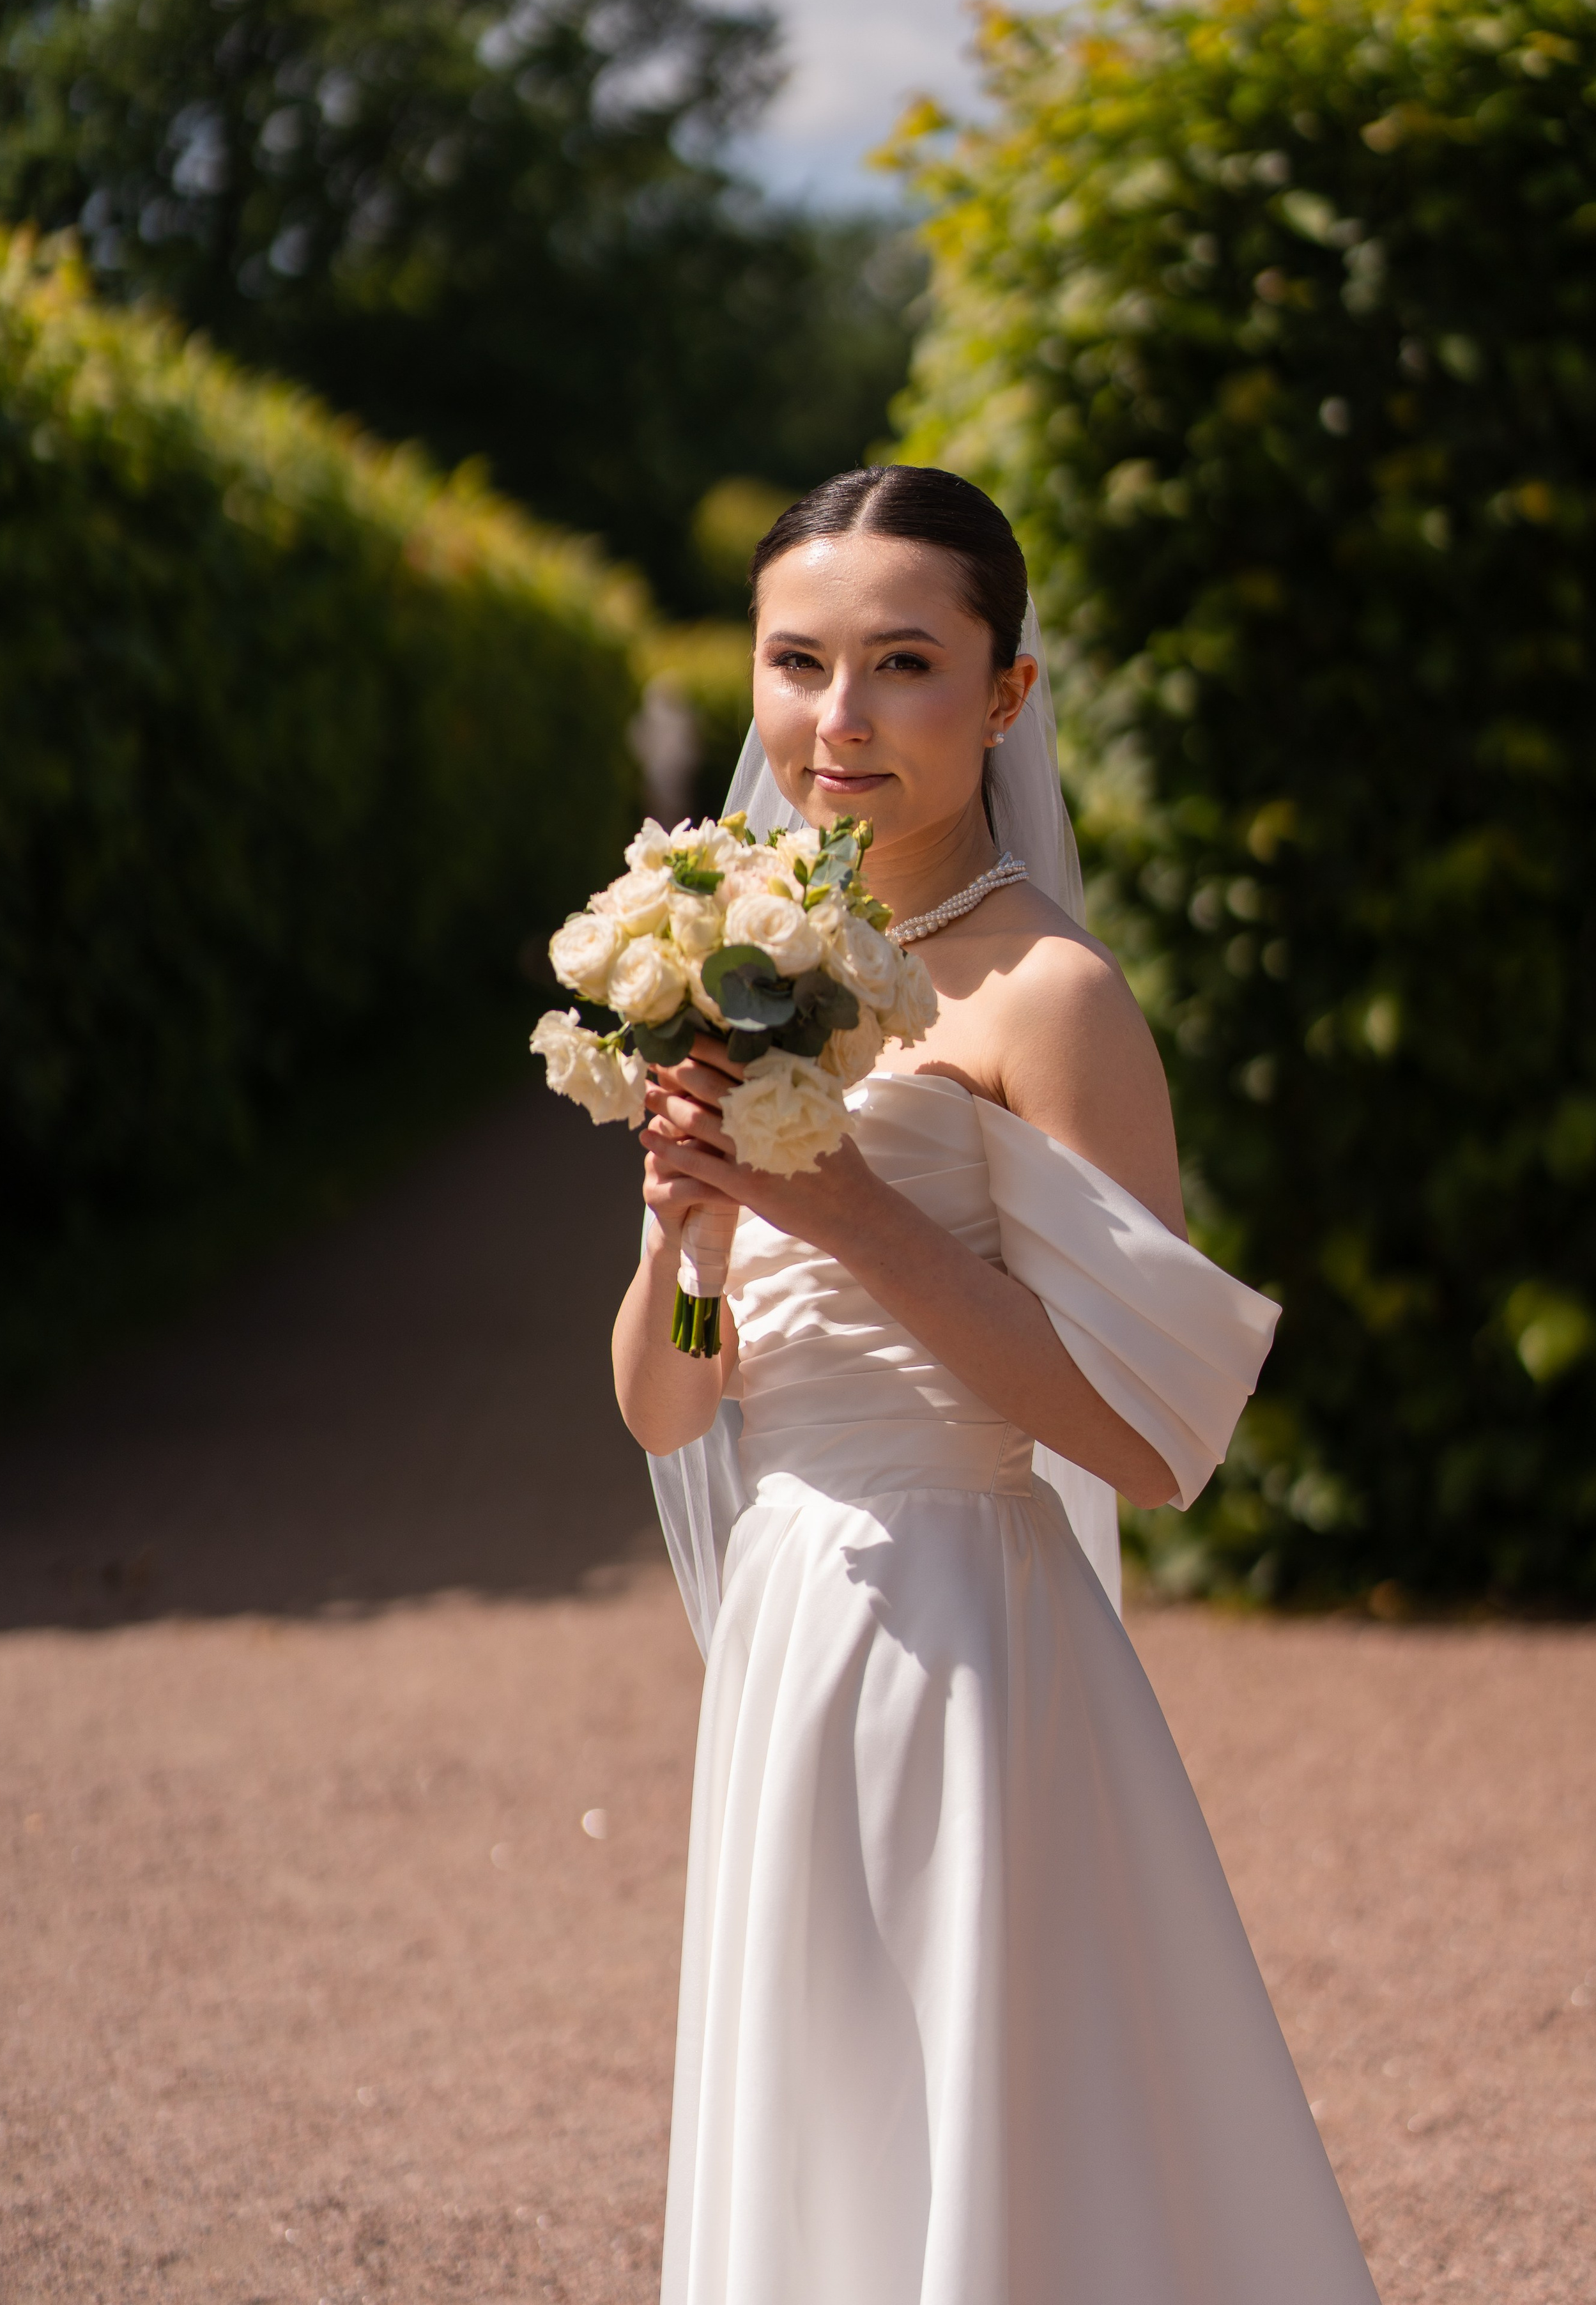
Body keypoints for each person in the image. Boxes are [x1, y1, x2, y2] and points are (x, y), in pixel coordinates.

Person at [612, 465, 1380, 2305]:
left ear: (1006, 694)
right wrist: (687, 1242)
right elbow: (663, 1411)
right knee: (825, 2128)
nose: (841, 720)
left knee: (989, 2125)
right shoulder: (730, 959)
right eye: (799, 663)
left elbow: (1154, 1443)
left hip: (973, 1632)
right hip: (791, 1616)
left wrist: (854, 1211)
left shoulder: (1051, 998)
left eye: (905, 664)